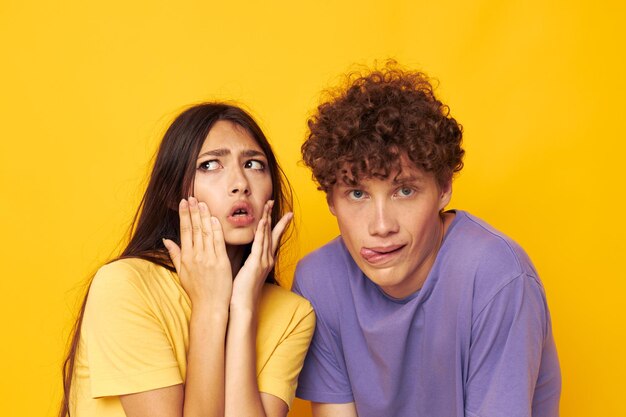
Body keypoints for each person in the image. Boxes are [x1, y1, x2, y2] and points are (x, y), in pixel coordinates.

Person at [292, 62, 561, 417]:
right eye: (357, 194)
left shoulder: (495, 275)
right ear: (331, 201)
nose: (381, 225)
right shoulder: (319, 280)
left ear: (444, 188)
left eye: (404, 190)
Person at [60, 103, 315, 417]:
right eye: (209, 165)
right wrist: (209, 307)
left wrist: (243, 308)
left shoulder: (293, 315)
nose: (240, 184)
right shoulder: (127, 286)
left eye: (253, 164)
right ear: (172, 193)